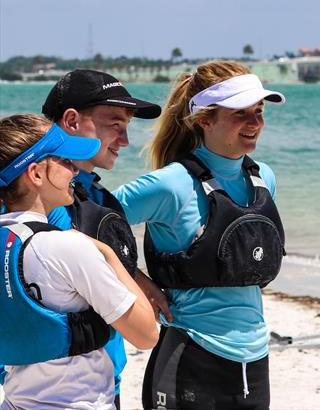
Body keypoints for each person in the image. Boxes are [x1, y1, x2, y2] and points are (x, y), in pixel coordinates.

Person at [114, 60, 286, 410]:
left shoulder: (262, 179)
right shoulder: (171, 184)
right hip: (191, 356)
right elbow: (85, 225)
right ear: (205, 119)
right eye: (241, 113)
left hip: (254, 359)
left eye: (259, 111)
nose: (254, 123)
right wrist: (136, 280)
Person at [0, 113, 159, 410]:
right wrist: (108, 254)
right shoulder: (66, 246)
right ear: (35, 174)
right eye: (65, 162)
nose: (75, 171)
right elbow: (146, 334)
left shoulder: (6, 241)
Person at [39, 69, 164, 408]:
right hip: (57, 392)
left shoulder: (97, 196)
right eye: (115, 124)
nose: (125, 141)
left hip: (105, 380)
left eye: (127, 128)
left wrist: (138, 280)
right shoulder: (37, 196)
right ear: (72, 121)